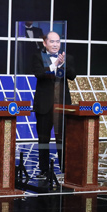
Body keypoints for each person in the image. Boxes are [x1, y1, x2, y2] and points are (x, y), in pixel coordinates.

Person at [31, 31, 75, 177]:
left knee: (63, 138)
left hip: (62, 105)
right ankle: (44, 170)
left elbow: (72, 76)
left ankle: (65, 169)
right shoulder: (38, 57)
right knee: (43, 138)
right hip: (44, 105)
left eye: (57, 41)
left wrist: (63, 64)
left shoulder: (67, 58)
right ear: (45, 43)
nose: (55, 44)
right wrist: (54, 65)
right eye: (52, 41)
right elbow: (38, 74)